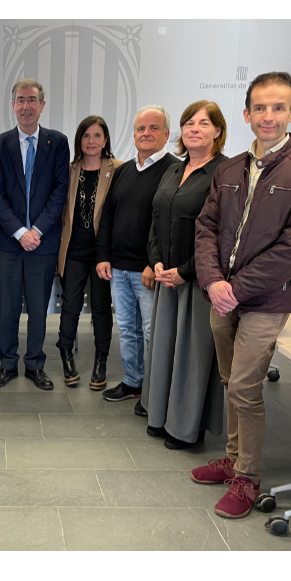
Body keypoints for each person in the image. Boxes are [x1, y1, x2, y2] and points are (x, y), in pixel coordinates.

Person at [193, 73, 291, 520]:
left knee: (244, 387)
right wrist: (214, 282)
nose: (268, 116)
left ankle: (247, 477)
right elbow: (206, 229)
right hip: (222, 295)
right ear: (246, 114)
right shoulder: (230, 169)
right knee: (227, 379)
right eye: (260, 107)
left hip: (268, 299)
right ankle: (233, 457)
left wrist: (234, 288)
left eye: (278, 107)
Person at [141, 101, 229, 452]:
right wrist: (157, 261)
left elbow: (223, 234)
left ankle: (184, 427)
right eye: (189, 123)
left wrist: (185, 271)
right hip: (167, 278)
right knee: (164, 350)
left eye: (203, 123)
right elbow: (157, 219)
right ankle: (160, 416)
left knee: (191, 354)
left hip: (197, 281)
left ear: (218, 131)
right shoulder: (174, 170)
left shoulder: (225, 173)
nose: (194, 128)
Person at [0, 79, 70, 391]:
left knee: (39, 308)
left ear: (42, 105)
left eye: (32, 100)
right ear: (13, 105)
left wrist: (36, 231)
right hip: (9, 243)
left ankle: (35, 364)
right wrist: (20, 232)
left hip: (44, 242)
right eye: (20, 100)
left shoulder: (57, 143)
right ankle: (7, 364)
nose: (26, 106)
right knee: (7, 308)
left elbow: (59, 192)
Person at [96, 106, 177, 407]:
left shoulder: (174, 170)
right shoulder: (124, 171)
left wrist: (152, 263)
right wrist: (103, 255)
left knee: (151, 332)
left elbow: (169, 225)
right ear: (133, 135)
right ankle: (133, 382)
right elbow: (107, 216)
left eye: (154, 128)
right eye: (141, 129)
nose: (146, 134)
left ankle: (156, 392)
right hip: (118, 267)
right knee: (127, 330)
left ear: (166, 134)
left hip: (148, 270)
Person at [57, 117, 122, 390]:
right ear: (79, 140)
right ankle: (66, 355)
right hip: (72, 250)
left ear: (105, 140)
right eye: (86, 136)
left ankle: (100, 360)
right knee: (70, 306)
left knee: (100, 308)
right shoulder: (68, 169)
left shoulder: (118, 169)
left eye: (97, 135)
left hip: (102, 253)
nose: (91, 141)